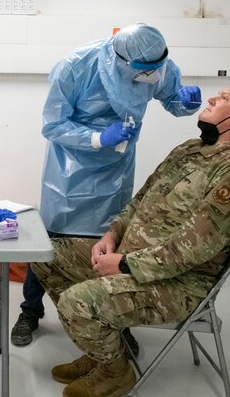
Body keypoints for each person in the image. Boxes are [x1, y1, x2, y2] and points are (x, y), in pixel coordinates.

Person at [31, 82, 230, 397]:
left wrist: (122, 264)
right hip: (131, 257)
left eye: (225, 98)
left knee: (78, 303)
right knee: (45, 255)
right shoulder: (190, 150)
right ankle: (102, 349)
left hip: (179, 284)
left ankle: (116, 372)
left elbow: (194, 248)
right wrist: (111, 236)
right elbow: (141, 200)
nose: (213, 97)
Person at [12, 23, 202, 347]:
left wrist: (186, 103)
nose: (151, 77)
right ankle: (30, 311)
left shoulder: (157, 65)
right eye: (144, 73)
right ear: (122, 62)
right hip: (70, 170)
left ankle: (114, 316)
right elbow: (53, 124)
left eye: (156, 71)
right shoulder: (76, 67)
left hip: (116, 167)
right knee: (52, 240)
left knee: (112, 238)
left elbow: (171, 99)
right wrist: (98, 137)